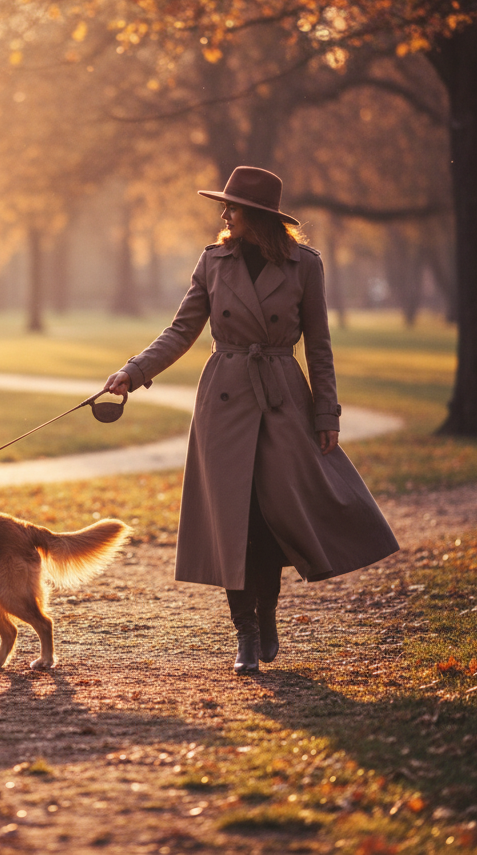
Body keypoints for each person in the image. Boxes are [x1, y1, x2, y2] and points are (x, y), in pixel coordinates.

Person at [104, 166, 399, 673]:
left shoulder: (305, 265)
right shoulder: (213, 261)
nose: (224, 214)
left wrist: (326, 412)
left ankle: (266, 614)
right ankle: (245, 632)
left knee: (270, 519)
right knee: (232, 521)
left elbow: (320, 345)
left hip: (283, 400)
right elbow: (181, 330)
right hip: (225, 401)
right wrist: (133, 372)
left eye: (232, 207)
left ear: (257, 215)